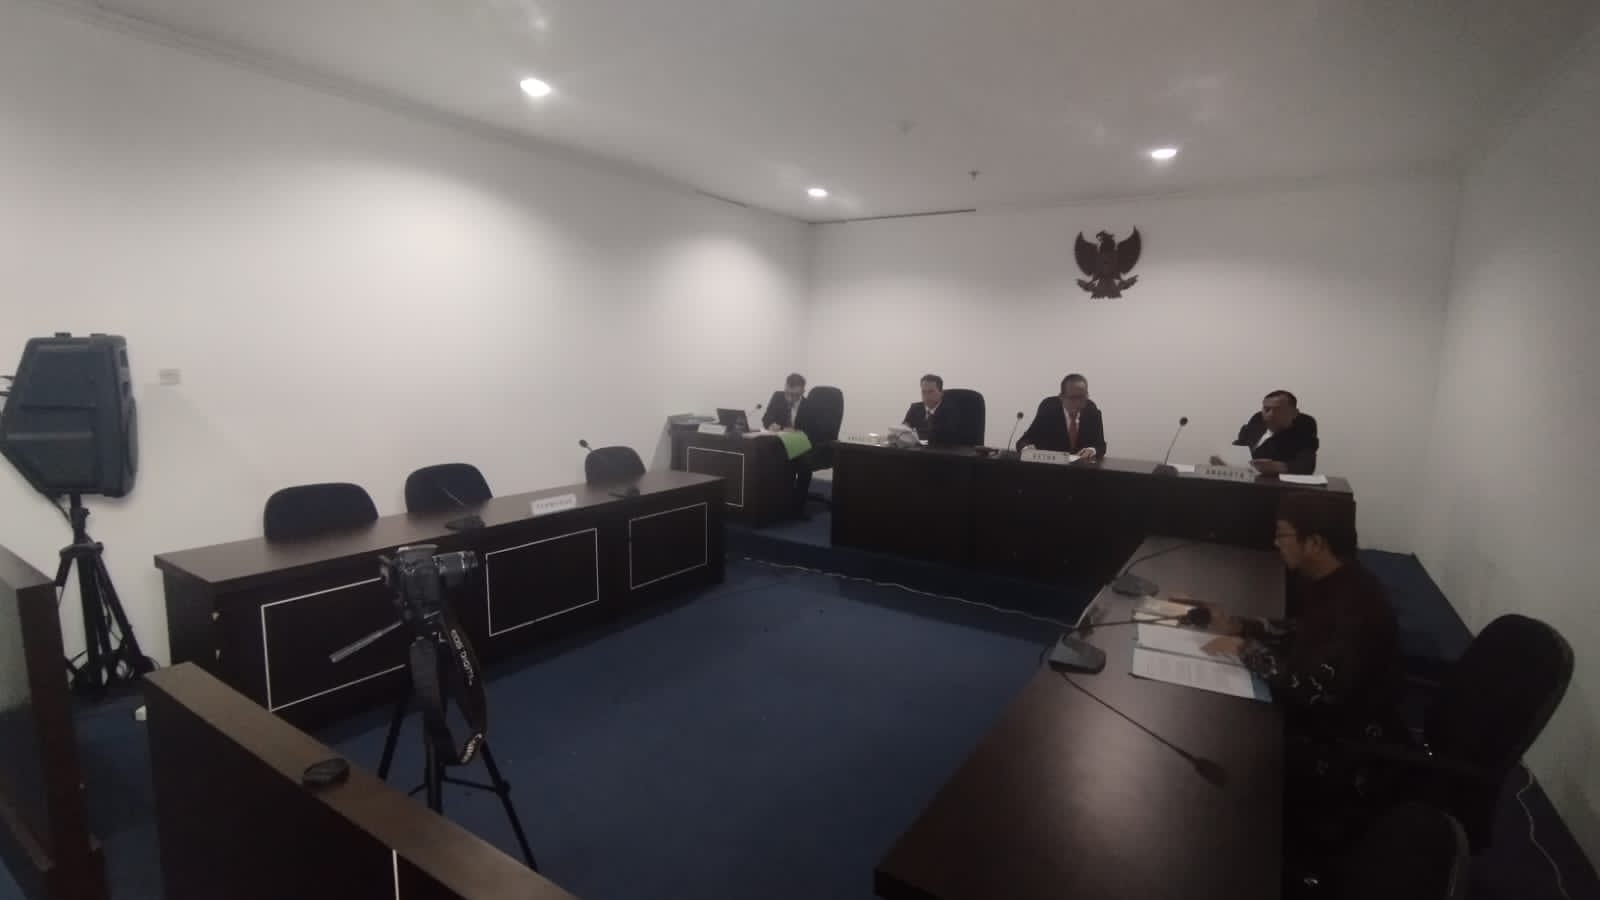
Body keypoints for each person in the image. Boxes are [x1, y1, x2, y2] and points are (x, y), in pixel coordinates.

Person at [1201, 492, 1400, 742]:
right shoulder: (1338, 578)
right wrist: (1239, 626)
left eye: (1282, 535)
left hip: (1340, 741)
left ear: (1315, 543)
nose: (1276, 543)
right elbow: (1303, 629)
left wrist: (1243, 648)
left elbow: (1307, 688)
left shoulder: (1356, 609)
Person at [1212, 390, 1319, 474]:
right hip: (1244, 480)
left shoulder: (1304, 427)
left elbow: (1306, 466)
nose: (1270, 414)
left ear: (1294, 413)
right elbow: (1240, 445)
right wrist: (1225, 460)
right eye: (1267, 409)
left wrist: (1277, 467)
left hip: (1275, 487)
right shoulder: (1257, 419)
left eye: (1278, 410)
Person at [1016, 373, 1106, 459]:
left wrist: (1092, 450)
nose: (1078, 403)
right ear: (1061, 397)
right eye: (1073, 398)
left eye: (1082, 397)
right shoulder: (1049, 409)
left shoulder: (1091, 410)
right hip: (1052, 467)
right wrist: (1027, 449)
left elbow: (1101, 446)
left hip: (1081, 467)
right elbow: (1024, 441)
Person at [901, 374, 962, 445]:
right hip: (918, 449)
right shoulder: (915, 408)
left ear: (941, 393)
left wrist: (914, 434)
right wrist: (902, 430)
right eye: (923, 392)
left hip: (942, 450)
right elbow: (904, 427)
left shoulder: (950, 410)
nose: (926, 396)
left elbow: (944, 435)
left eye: (931, 392)